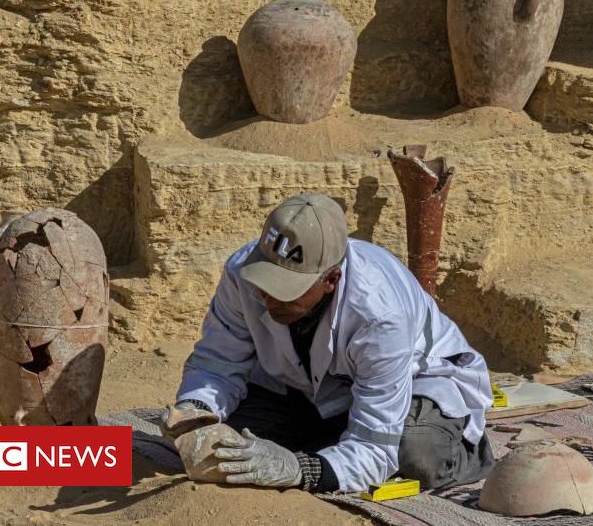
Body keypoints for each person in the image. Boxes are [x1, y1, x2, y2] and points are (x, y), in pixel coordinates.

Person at [161, 192, 495, 493]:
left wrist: (300, 469)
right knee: (224, 446)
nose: (266, 295)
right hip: (306, 389)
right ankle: (329, 439)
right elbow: (217, 364)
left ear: (331, 280)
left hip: (413, 385)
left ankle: (467, 452)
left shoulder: (379, 313)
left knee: (415, 456)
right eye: (265, 279)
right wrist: (197, 410)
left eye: (285, 288)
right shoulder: (241, 274)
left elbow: (375, 444)